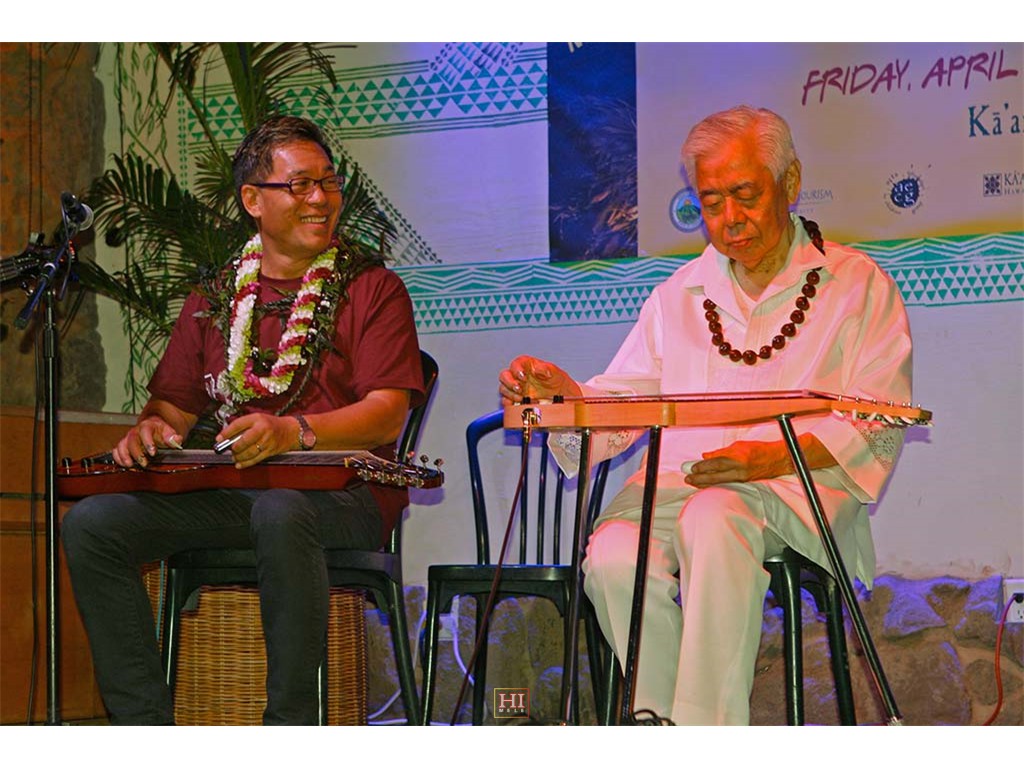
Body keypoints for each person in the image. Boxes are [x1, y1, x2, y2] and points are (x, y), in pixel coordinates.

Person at [499, 105, 912, 725]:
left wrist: (766, 458)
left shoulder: (855, 284)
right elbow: (624, 401)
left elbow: (879, 418)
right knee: (612, 557)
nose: (729, 219)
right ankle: (660, 722)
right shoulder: (680, 294)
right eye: (711, 203)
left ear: (790, 183)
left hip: (794, 487)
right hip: (679, 485)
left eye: (745, 196)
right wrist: (564, 398)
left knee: (714, 516)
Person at [62, 115, 424, 725]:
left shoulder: (373, 288)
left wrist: (294, 432)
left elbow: (388, 414)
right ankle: (143, 735)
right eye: (301, 184)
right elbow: (173, 407)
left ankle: (288, 733)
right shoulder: (215, 297)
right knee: (95, 524)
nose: (320, 198)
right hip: (237, 492)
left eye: (328, 182)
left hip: (347, 496)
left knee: (280, 509)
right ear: (253, 200)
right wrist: (152, 428)